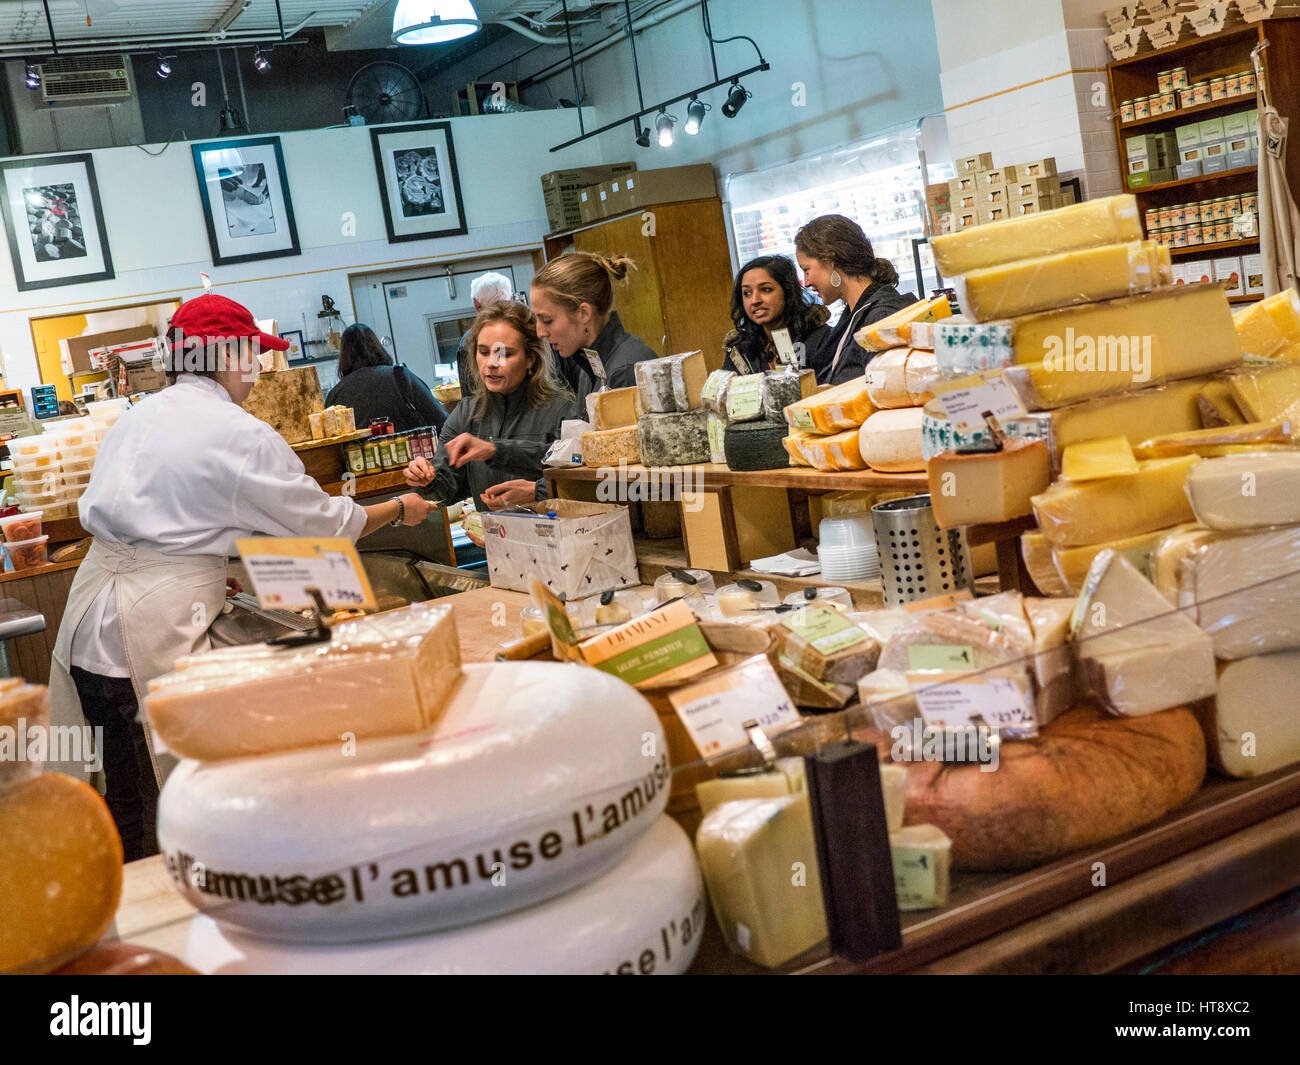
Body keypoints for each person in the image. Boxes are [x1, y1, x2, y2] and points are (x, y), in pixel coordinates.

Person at [48, 293, 436, 862]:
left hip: (88, 623)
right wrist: (400, 507)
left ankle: (131, 909)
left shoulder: (136, 419)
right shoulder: (239, 432)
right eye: (253, 355)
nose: (256, 371)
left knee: (120, 794)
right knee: (172, 797)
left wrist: (202, 573)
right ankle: (187, 908)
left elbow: (168, 526)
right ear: (228, 357)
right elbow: (324, 527)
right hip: (144, 637)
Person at [404, 301, 577, 513]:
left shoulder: (563, 410)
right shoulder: (466, 413)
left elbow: (579, 483)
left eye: (504, 354)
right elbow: (446, 489)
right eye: (483, 352)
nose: (491, 363)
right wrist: (425, 479)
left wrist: (538, 491)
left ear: (530, 358)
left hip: (556, 540)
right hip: (495, 542)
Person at [794, 214, 917, 385]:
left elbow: (888, 391)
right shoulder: (855, 314)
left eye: (806, 270)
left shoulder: (881, 317)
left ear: (830, 261)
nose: (806, 282)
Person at [530, 252, 657, 405]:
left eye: (547, 320)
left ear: (583, 313)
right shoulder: (589, 364)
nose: (540, 332)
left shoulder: (625, 371)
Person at [325, 322, 446, 433]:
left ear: (343, 356)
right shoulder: (400, 376)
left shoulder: (334, 396)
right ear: (377, 347)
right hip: (414, 454)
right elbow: (440, 419)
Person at [723, 254, 832, 375]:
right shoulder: (739, 348)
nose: (755, 300)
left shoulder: (821, 338)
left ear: (787, 291)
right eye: (747, 293)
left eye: (766, 289)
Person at [455, 272, 513, 396]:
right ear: (511, 299)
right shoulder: (535, 332)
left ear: (476, 304)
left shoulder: (469, 343)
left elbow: (470, 396)